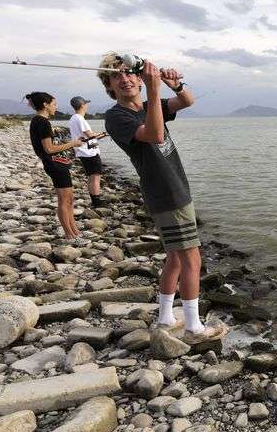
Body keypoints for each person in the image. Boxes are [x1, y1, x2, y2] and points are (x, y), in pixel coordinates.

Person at [97, 52, 225, 344]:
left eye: (130, 72)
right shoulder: (117, 116)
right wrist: (154, 91)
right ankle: (193, 328)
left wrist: (173, 85)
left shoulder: (146, 105)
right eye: (116, 75)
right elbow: (154, 134)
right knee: (192, 259)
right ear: (109, 86)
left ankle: (166, 316)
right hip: (166, 194)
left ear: (138, 78)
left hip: (174, 189)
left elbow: (187, 101)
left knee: (175, 259)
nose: (125, 78)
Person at [25, 92, 85, 243]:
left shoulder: (40, 121)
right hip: (54, 165)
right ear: (45, 105)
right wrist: (74, 143)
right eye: (54, 104)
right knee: (64, 200)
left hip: (59, 164)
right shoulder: (42, 122)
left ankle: (75, 231)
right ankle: (69, 235)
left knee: (69, 199)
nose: (56, 107)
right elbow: (49, 149)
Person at [68, 96, 105, 207]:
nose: (87, 105)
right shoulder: (80, 118)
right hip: (89, 152)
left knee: (91, 176)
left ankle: (94, 199)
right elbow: (89, 134)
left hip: (83, 151)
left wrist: (99, 135)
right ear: (82, 105)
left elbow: (86, 136)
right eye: (86, 103)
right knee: (96, 176)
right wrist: (102, 133)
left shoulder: (73, 118)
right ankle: (97, 202)